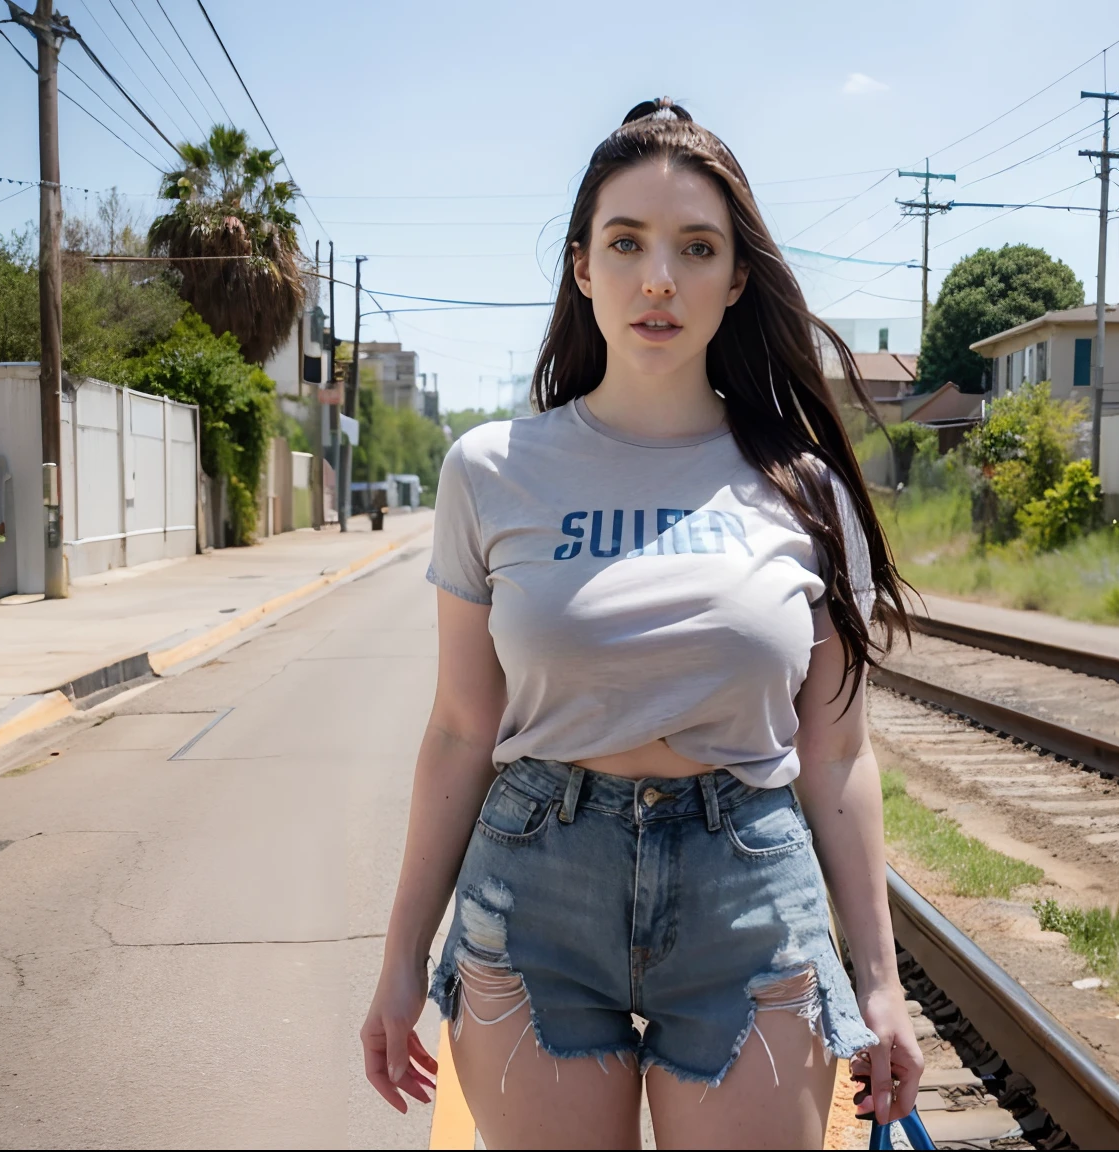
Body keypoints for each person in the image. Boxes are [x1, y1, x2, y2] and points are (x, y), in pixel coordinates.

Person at [360, 97, 923, 1149]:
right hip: (535, 885)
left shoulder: (803, 490)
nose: (658, 277)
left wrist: (881, 981)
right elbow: (457, 730)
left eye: (695, 248)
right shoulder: (491, 470)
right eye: (627, 243)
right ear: (582, 266)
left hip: (746, 888)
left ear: (736, 278)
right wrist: (398, 961)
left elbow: (837, 753)